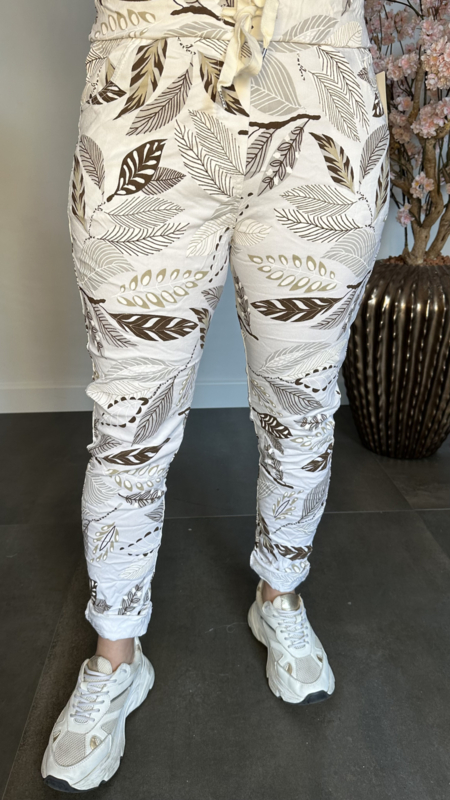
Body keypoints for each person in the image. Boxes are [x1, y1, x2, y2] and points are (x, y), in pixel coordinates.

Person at [41, 0, 389, 791]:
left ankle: (280, 594)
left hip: (323, 79)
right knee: (130, 416)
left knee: (302, 400)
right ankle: (115, 655)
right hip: (147, 74)